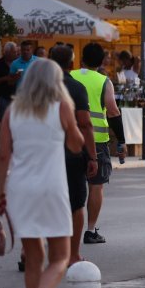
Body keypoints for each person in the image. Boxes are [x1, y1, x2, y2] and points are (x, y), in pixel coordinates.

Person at [0, 59, 85, 288]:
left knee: (33, 257)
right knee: (61, 255)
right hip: (52, 188)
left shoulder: (13, 111)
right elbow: (76, 143)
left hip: (20, 189)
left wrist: (0, 193)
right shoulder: (61, 107)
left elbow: (2, 155)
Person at [71, 43, 127, 244]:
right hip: (98, 141)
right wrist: (121, 140)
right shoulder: (104, 81)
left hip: (71, 138)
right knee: (96, 186)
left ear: (82, 59)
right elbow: (112, 111)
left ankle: (68, 227)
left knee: (70, 183)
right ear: (102, 61)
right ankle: (90, 229)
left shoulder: (70, 76)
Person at [51, 46, 98, 265]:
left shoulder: (37, 87)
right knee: (77, 203)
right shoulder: (76, 87)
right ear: (71, 64)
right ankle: (72, 254)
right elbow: (85, 124)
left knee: (44, 202)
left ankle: (28, 251)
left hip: (42, 152)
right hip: (71, 152)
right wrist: (93, 157)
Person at [0, 42, 18, 120]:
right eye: (14, 52)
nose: (16, 54)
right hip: (3, 97)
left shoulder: (19, 63)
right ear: (7, 53)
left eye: (16, 51)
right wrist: (5, 78)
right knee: (3, 118)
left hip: (17, 96)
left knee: (15, 119)